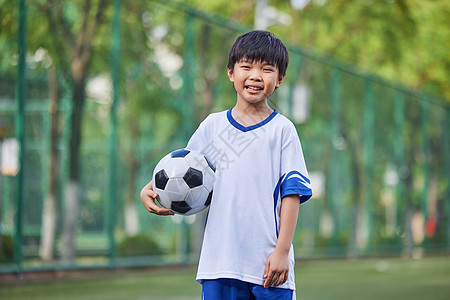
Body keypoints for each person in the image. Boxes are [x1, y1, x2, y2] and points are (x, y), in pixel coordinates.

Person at [140, 30, 312, 300]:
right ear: (231, 72)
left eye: (267, 69)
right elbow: (181, 170)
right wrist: (149, 189)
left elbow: (292, 194)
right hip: (220, 264)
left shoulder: (282, 130)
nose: (255, 76)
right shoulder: (213, 126)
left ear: (279, 79)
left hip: (268, 266)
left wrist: (282, 251)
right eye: (246, 67)